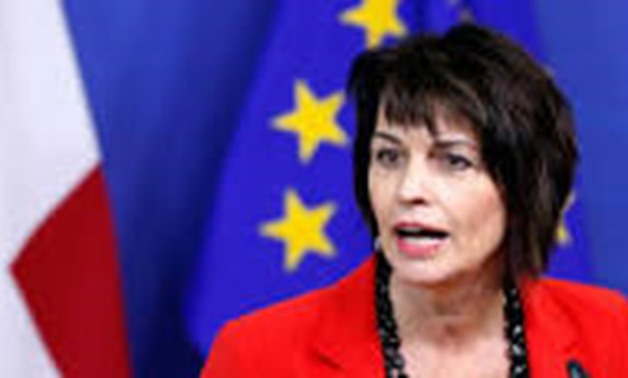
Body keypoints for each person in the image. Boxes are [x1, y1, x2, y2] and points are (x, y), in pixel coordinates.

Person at [202, 24, 628, 377]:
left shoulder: (612, 337)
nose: (408, 190)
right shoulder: (257, 357)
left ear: (523, 187)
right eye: (389, 156)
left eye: (453, 161)